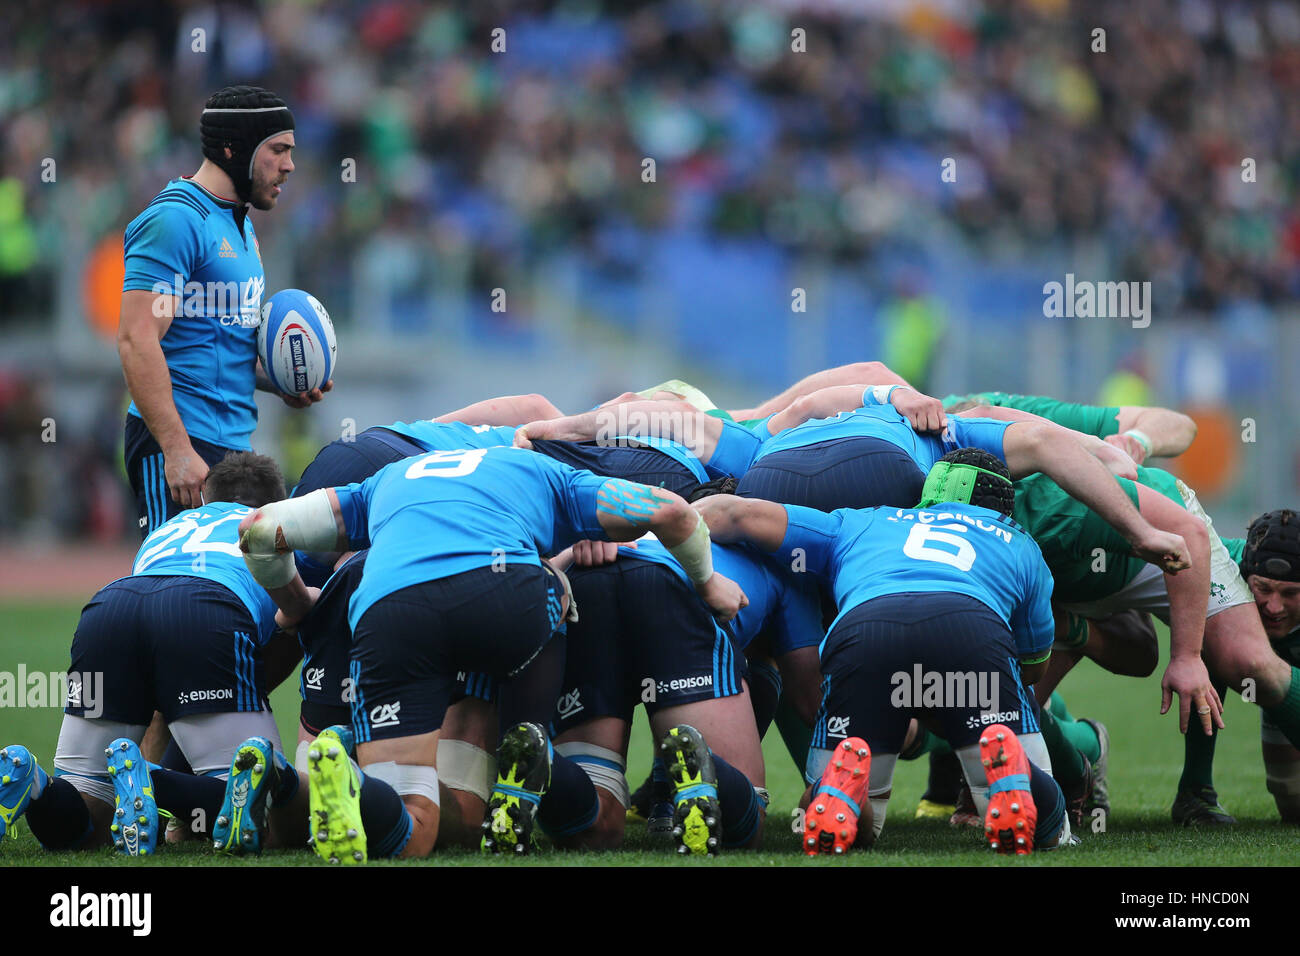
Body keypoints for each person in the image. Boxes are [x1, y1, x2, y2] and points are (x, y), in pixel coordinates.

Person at [237, 445, 746, 861]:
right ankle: (528, 750)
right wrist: (708, 584)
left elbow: (258, 531)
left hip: (391, 612)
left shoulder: (385, 480)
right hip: (505, 599)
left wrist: (299, 604)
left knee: (414, 825)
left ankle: (349, 779)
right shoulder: (547, 473)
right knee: (556, 583)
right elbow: (671, 511)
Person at [694, 449, 1070, 854]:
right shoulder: (1018, 540)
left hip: (867, 628)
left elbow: (737, 514)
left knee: (853, 829)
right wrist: (943, 701)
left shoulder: (864, 519)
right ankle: (1018, 774)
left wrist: (663, 529)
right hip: (969, 627)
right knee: (1049, 832)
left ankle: (839, 791)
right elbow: (1033, 667)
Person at [0, 453, 307, 856]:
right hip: (206, 608)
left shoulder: (168, 528)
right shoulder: (274, 527)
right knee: (260, 810)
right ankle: (152, 780)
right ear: (273, 507)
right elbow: (297, 615)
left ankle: (34, 784)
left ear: (204, 500)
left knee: (88, 814)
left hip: (110, 607)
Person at [118, 85, 328, 539]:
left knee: (247, 588)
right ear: (236, 148)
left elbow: (218, 340)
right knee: (177, 589)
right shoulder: (175, 219)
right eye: (278, 150)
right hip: (180, 441)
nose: (290, 165)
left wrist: (280, 380)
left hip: (234, 448)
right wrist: (176, 449)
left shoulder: (241, 224)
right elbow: (137, 338)